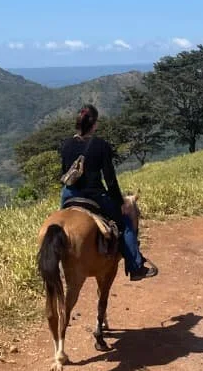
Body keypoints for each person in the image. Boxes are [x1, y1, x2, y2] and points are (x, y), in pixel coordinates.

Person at [59, 104, 157, 281]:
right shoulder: (101, 145)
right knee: (125, 224)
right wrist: (121, 203)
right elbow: (110, 180)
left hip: (69, 195)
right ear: (94, 124)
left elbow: (64, 173)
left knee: (60, 223)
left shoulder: (65, 144)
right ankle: (135, 267)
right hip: (94, 196)